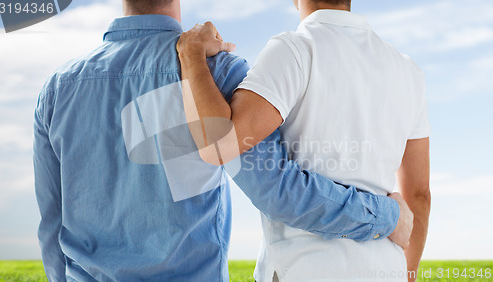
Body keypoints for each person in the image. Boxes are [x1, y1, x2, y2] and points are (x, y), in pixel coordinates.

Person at [33, 0, 412, 281]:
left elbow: (51, 225)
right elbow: (278, 189)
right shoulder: (216, 72)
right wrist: (386, 216)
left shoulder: (56, 89)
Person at [176, 0, 431, 281]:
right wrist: (407, 271)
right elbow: (419, 194)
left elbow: (219, 146)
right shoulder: (408, 71)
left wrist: (191, 54)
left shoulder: (295, 49)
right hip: (386, 267)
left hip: (301, 268)